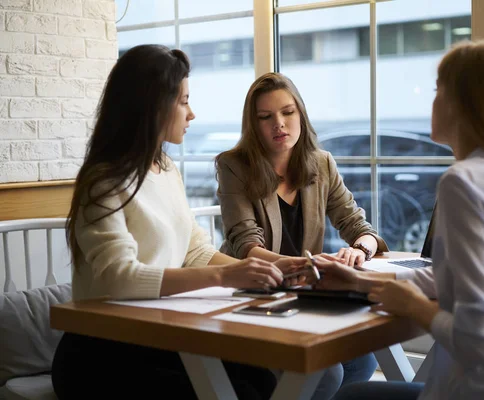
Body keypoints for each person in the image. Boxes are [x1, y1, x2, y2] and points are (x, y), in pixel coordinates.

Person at [315, 39, 484, 400]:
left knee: (350, 395)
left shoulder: (467, 181)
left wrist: (411, 305)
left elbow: (479, 342)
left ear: (463, 104)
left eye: (438, 90)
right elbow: (461, 277)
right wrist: (363, 282)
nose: (432, 101)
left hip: (483, 393)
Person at [51, 44, 307, 400]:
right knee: (244, 390)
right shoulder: (104, 179)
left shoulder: (166, 169)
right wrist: (226, 276)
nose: (192, 114)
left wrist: (271, 269)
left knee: (264, 380)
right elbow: (118, 276)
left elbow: (196, 249)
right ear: (152, 105)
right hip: (104, 353)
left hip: (160, 336)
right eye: (184, 100)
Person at [215, 72, 389, 399]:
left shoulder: (321, 164)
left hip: (302, 293)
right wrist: (301, 265)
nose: (278, 124)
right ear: (253, 125)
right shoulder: (233, 165)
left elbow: (359, 227)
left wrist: (359, 251)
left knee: (362, 360)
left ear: (300, 114)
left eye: (287, 112)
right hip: (253, 294)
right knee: (328, 370)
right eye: (265, 117)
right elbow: (245, 244)